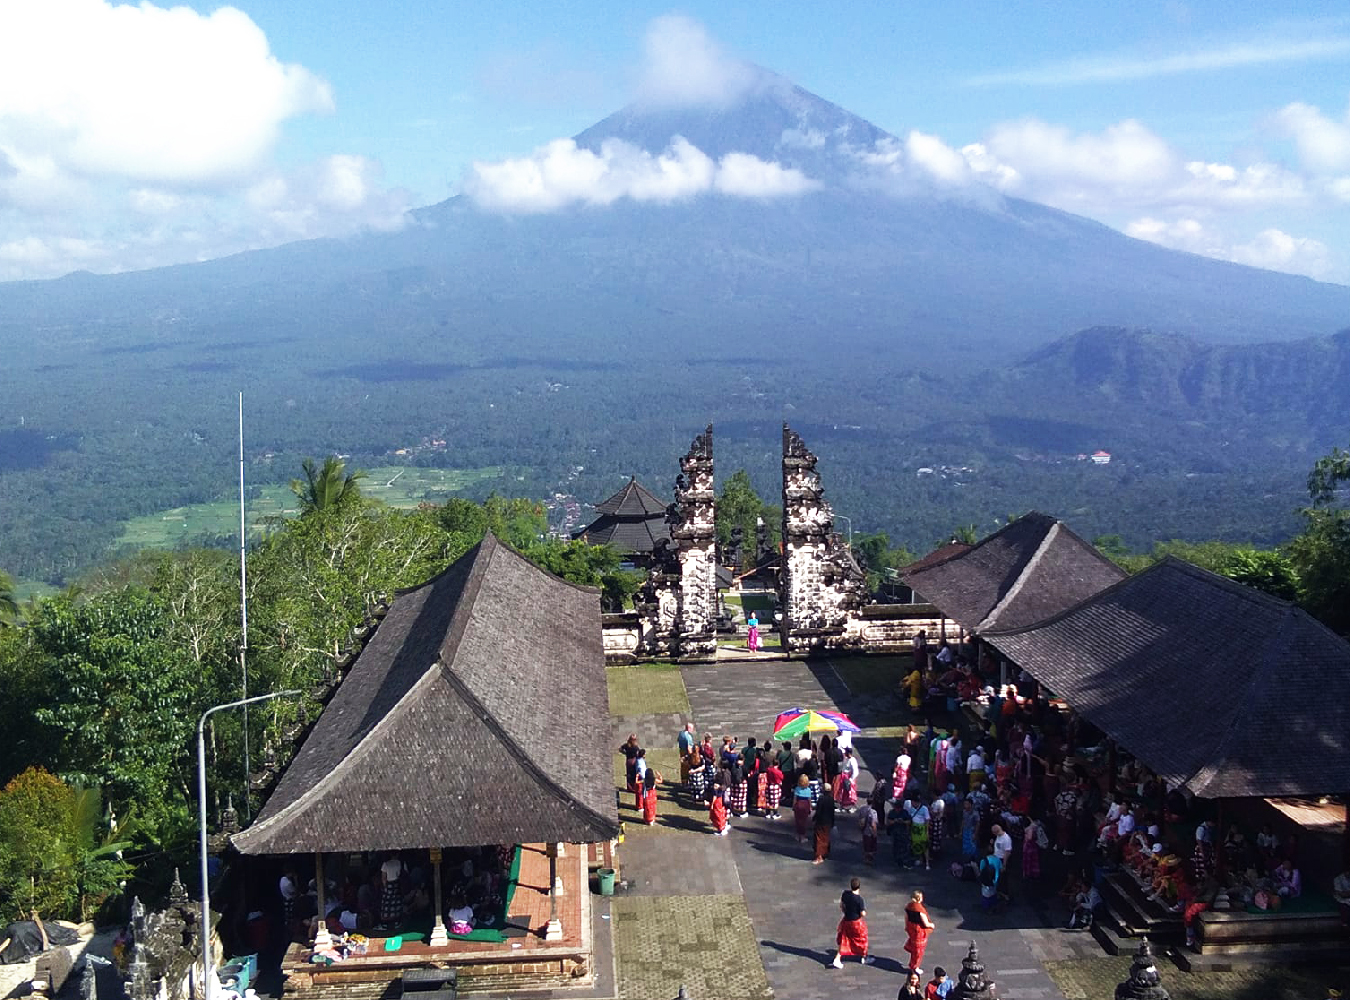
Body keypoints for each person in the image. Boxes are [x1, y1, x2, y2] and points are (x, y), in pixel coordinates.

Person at [832, 876, 874, 968]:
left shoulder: (845, 894)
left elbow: (842, 905)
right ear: (859, 887)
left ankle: (837, 958)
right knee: (862, 938)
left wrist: (845, 912)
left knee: (844, 939)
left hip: (846, 920)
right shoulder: (859, 899)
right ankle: (864, 956)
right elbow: (862, 913)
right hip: (856, 922)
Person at [903, 890, 935, 974]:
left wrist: (906, 926)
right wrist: (932, 925)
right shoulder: (920, 909)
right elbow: (925, 923)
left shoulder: (909, 906)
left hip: (912, 930)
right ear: (919, 898)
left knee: (914, 948)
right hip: (919, 932)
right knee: (918, 951)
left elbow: (906, 917)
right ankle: (915, 966)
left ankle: (913, 964)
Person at [813, 786, 837, 863]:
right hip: (829, 821)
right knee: (826, 838)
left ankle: (819, 856)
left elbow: (818, 811)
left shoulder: (821, 799)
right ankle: (826, 852)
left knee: (819, 838)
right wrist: (833, 822)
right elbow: (832, 812)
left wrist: (815, 818)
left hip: (821, 821)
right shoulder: (831, 799)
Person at [793, 773, 814, 843]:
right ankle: (803, 836)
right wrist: (810, 807)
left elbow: (795, 799)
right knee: (804, 821)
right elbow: (809, 800)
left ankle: (797, 835)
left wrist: (793, 806)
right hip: (805, 805)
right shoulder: (808, 790)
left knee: (797, 820)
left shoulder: (797, 789)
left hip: (798, 805)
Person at [859, 800, 880, 865]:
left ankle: (866, 858)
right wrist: (875, 833)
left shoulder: (862, 809)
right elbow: (873, 824)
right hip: (870, 831)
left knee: (866, 846)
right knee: (871, 847)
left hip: (864, 830)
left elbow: (860, 819)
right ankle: (869, 859)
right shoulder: (873, 812)